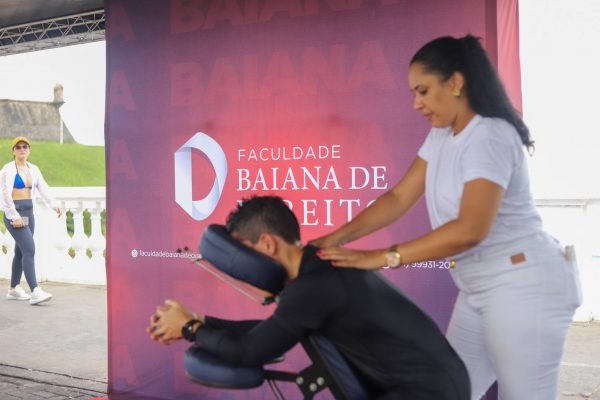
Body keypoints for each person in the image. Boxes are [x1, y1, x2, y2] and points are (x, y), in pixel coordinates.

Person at [310, 35, 582, 400]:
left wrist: (382, 257)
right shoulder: (440, 136)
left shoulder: (489, 135)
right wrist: (335, 238)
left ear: (455, 82)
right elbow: (398, 197)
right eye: (413, 93)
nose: (416, 103)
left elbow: (470, 229)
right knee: (445, 392)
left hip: (523, 284)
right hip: (477, 288)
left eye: (423, 91)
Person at [148, 196, 470, 399]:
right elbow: (273, 330)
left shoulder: (315, 285)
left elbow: (248, 351)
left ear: (268, 243)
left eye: (242, 250)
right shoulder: (314, 270)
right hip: (435, 385)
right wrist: (200, 321)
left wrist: (189, 329)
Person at [1, 136, 62, 305]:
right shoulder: (7, 169)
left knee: (21, 252)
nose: (22, 149)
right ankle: (35, 290)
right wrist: (14, 216)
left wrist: (54, 204)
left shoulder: (33, 169)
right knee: (29, 249)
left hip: (29, 213)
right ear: (13, 151)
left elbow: (43, 188)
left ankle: (13, 289)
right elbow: (4, 194)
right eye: (18, 147)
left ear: (29, 150)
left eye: (25, 147)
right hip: (14, 214)